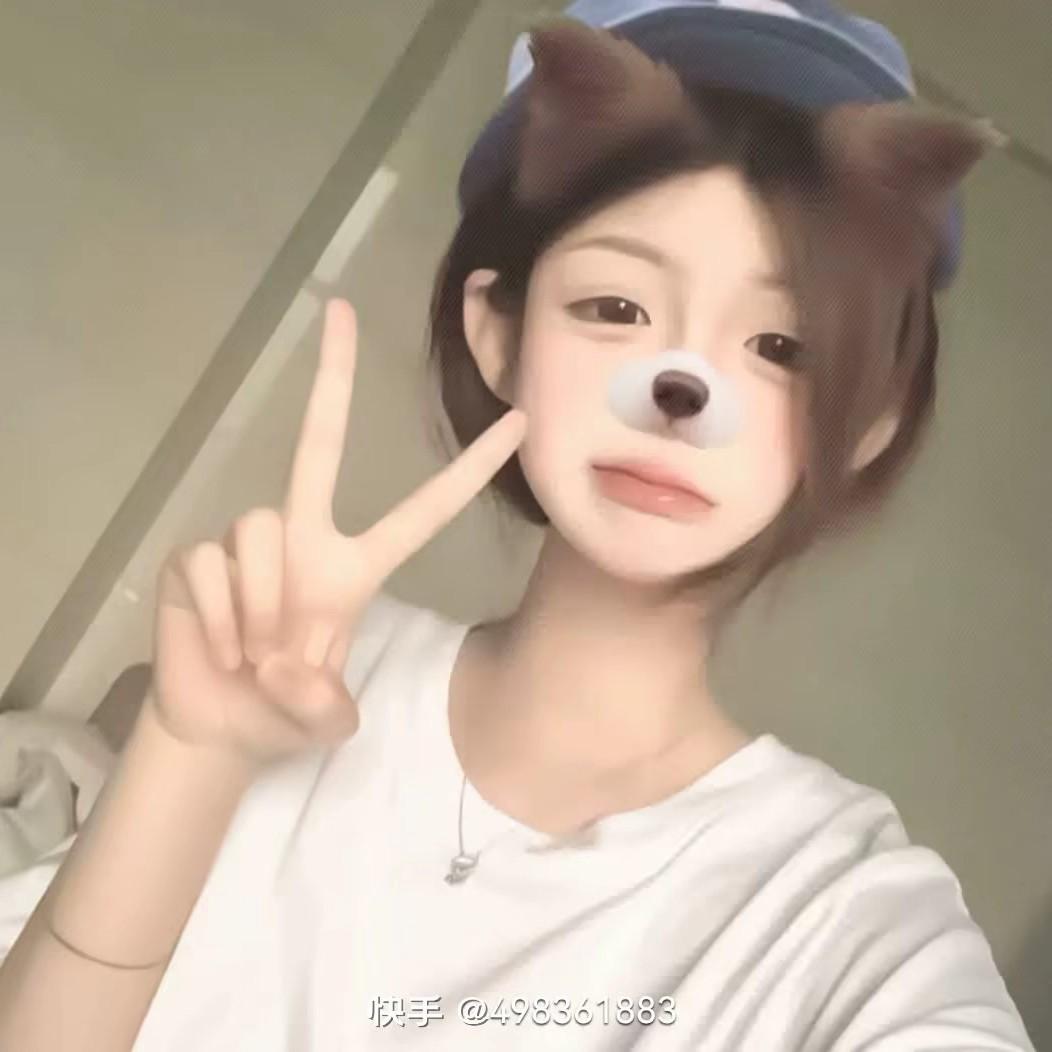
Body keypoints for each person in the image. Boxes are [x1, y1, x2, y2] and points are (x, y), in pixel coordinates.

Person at [0, 1, 1036, 1049]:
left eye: (780, 345)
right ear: (498, 335)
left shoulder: (845, 918)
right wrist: (187, 754)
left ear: (864, 424)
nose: (681, 387)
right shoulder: (285, 672)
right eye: (617, 308)